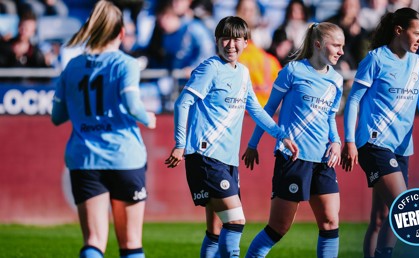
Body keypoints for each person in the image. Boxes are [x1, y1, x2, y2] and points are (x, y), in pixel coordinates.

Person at [164, 16, 299, 258]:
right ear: (217, 40)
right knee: (236, 221)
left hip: (227, 161)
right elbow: (182, 102)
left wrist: (281, 135)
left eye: (237, 39)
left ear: (246, 42)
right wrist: (179, 143)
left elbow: (256, 110)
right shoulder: (210, 68)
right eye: (225, 38)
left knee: (215, 229)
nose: (231, 44)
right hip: (205, 156)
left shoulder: (243, 73)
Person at [340, 8, 419, 258]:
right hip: (374, 144)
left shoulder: (417, 63)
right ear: (399, 31)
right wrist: (349, 141)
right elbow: (354, 100)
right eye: (417, 33)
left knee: (381, 218)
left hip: (401, 147)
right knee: (405, 209)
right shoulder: (375, 59)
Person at [51, 1, 157, 258]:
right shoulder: (125, 64)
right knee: (131, 244)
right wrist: (148, 118)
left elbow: (57, 116)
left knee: (94, 241)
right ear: (121, 32)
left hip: (85, 158)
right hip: (124, 157)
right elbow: (133, 106)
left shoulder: (72, 67)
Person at [242, 22, 345, 258]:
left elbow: (330, 117)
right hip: (294, 158)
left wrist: (336, 142)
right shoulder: (293, 71)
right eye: (336, 45)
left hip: (324, 159)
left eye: (343, 46)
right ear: (318, 45)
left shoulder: (336, 80)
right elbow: (268, 109)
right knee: (279, 227)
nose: (341, 51)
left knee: (330, 222)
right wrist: (252, 144)